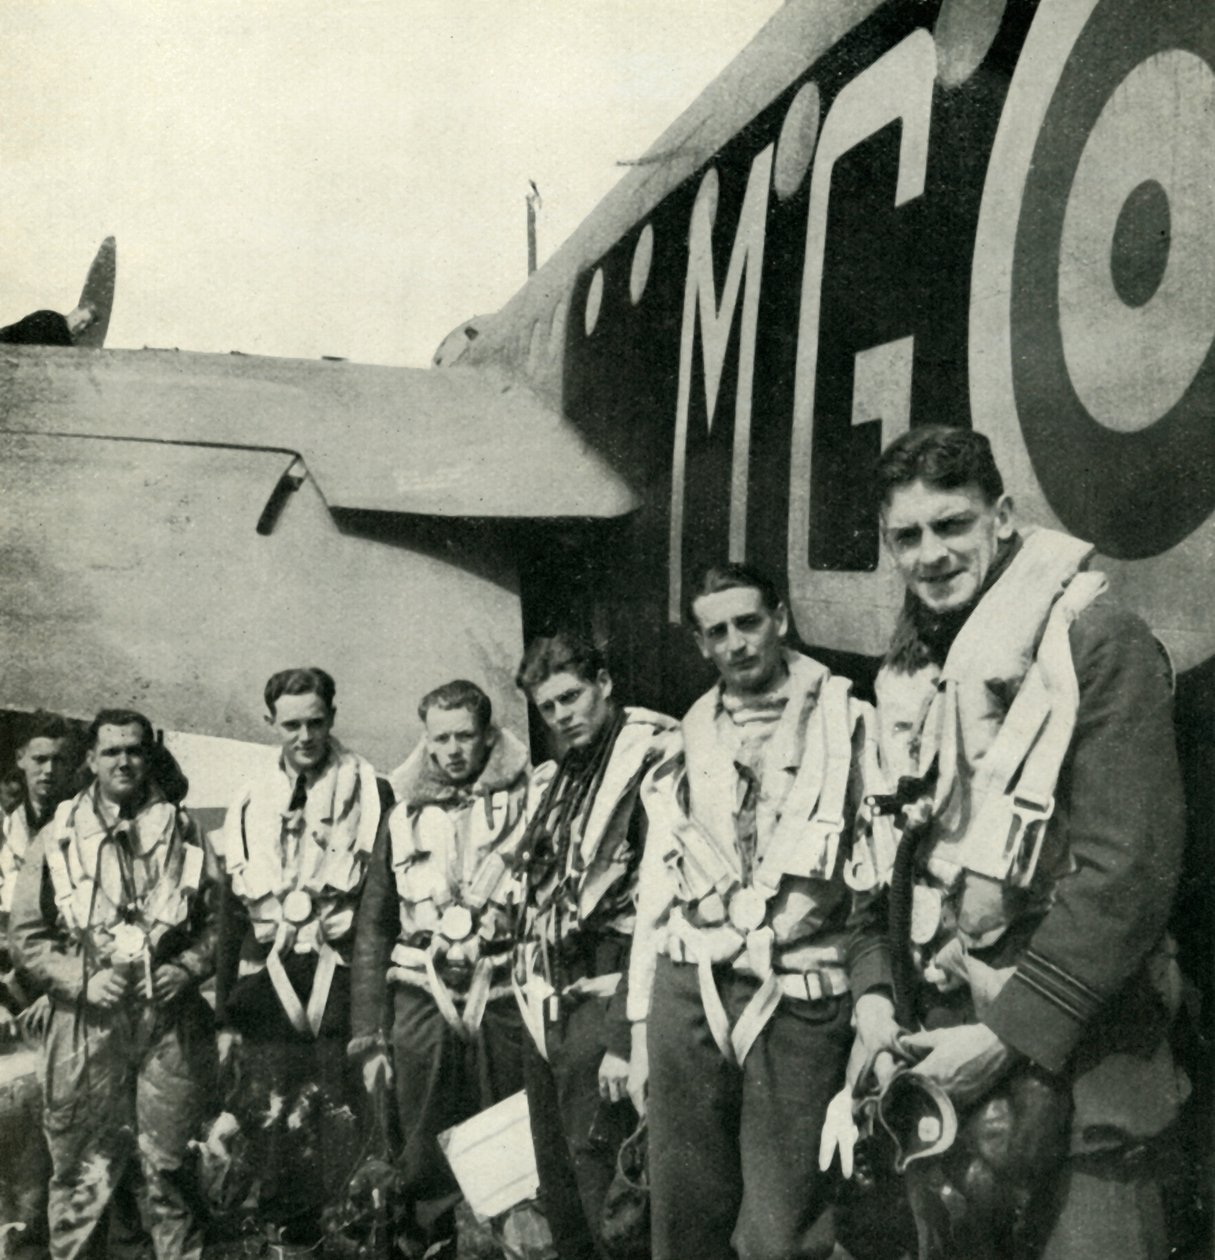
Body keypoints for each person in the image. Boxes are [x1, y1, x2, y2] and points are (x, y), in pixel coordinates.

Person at [826, 426, 1188, 1259]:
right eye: (907, 536)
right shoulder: (911, 673)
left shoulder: (1096, 640)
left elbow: (1126, 873)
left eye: (952, 525)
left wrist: (1002, 1040)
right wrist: (875, 995)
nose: (932, 554)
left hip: (1082, 1073)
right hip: (942, 1072)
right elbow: (886, 858)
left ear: (1003, 515)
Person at [628, 563, 885, 1260]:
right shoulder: (687, 735)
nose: (737, 643)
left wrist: (875, 1007)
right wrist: (639, 1023)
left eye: (749, 623)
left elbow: (879, 884)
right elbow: (658, 882)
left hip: (799, 994)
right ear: (701, 645)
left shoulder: (850, 722)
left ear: (780, 619)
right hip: (691, 988)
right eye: (718, 632)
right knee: (682, 1213)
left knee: (783, 1225)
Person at [350, 679, 553, 1260]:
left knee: (513, 1135)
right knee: (422, 1137)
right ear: (427, 741)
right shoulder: (402, 814)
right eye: (441, 739)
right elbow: (374, 925)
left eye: (466, 735)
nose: (455, 750)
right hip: (420, 994)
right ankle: (430, 1242)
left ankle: (512, 1246)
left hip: (504, 992)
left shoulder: (533, 801)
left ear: (488, 735)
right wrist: (369, 1032)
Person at [9, 708, 216, 1260]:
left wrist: (189, 967)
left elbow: (221, 923)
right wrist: (80, 980)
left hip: (165, 1026)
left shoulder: (185, 831)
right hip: (84, 1028)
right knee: (81, 1179)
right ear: (91, 761)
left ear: (149, 757)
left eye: (134, 750)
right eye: (111, 751)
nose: (123, 761)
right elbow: (26, 936)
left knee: (169, 1174)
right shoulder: (57, 838)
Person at [513, 629, 676, 1260]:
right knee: (558, 1180)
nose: (563, 715)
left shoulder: (652, 764)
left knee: (607, 1178)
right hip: (548, 994)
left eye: (572, 697)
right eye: (549, 707)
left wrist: (618, 1037)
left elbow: (659, 912)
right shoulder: (563, 777)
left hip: (608, 989)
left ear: (604, 684)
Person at [212, 667, 388, 1248]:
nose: (305, 736)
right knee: (273, 1126)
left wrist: (372, 1015)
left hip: (341, 981)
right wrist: (226, 1016)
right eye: (291, 725)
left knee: (348, 1126)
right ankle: (290, 1243)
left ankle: (360, 1240)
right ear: (271, 724)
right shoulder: (246, 801)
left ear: (333, 718)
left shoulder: (371, 790)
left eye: (316, 722)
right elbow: (231, 913)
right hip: (270, 984)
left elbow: (381, 908)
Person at [0, 304, 95, 346]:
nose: (80, 325)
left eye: (85, 323)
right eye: (81, 320)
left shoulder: (49, 316)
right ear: (74, 313)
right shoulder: (52, 322)